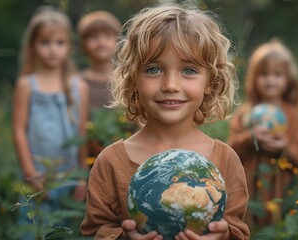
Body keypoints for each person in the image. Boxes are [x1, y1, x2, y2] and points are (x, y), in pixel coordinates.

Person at [80, 3, 250, 239]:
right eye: (153, 69)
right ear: (133, 79)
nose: (170, 85)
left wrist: (223, 235)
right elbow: (94, 230)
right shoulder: (110, 162)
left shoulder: (226, 160)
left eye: (188, 70)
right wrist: (124, 236)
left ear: (210, 81)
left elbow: (239, 231)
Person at [12, 6, 89, 224]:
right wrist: (30, 174)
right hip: (36, 178)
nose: (53, 49)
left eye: (60, 43)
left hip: (69, 179)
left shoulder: (78, 86)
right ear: (33, 46)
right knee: (34, 229)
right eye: (45, 42)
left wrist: (82, 178)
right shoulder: (26, 85)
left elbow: (81, 133)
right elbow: (18, 131)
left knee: (66, 230)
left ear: (69, 46)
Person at [227, 40, 298, 228]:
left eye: (277, 74)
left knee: (277, 229)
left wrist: (285, 147)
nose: (270, 80)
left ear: (288, 79)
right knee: (250, 228)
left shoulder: (294, 116)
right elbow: (230, 152)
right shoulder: (245, 114)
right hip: (249, 189)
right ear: (254, 78)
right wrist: (251, 138)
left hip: (282, 193)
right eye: (264, 74)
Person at [77, 10, 121, 110]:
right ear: (83, 43)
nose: (101, 42)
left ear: (118, 41)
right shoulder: (76, 82)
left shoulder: (126, 80)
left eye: (108, 36)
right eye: (93, 36)